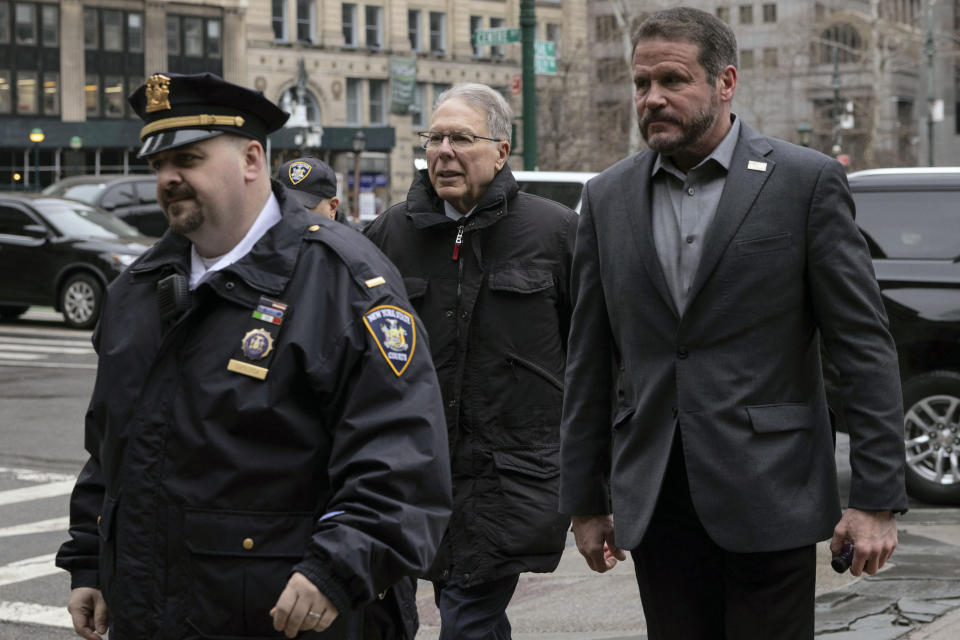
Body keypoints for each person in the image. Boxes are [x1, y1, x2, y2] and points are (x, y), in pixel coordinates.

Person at [55, 71, 452, 640]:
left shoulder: (340, 279)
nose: (169, 178)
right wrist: (90, 558)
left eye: (188, 159)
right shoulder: (138, 291)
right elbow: (112, 446)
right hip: (148, 613)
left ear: (250, 158)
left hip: (287, 619)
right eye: (159, 164)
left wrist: (336, 568)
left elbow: (402, 458)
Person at [559, 8, 906, 640]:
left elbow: (863, 347)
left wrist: (876, 500)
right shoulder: (606, 198)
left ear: (726, 82)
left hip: (771, 491)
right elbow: (589, 358)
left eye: (672, 80)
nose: (653, 98)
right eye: (642, 84)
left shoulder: (805, 183)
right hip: (657, 498)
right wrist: (585, 502)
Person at [363, 83, 577, 640]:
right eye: (434, 138)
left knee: (467, 614)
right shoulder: (388, 235)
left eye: (461, 137)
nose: (443, 151)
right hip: (415, 476)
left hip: (512, 477)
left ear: (502, 151)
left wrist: (595, 489)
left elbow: (595, 362)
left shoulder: (555, 234)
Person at [278, 157, 360, 230]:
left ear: (332, 207)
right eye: (285, 205)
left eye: (304, 209)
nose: (292, 215)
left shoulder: (355, 243)